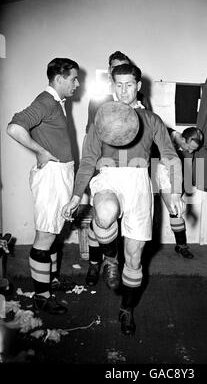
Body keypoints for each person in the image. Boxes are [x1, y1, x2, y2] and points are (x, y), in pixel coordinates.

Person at [62, 63, 184, 335]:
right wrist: (74, 196)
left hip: (140, 182)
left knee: (135, 258)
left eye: (130, 84)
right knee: (104, 213)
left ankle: (127, 309)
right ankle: (109, 258)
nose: (124, 90)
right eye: (119, 84)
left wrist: (175, 190)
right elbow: (88, 161)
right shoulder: (101, 118)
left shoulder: (151, 120)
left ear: (139, 86)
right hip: (109, 176)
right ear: (112, 86)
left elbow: (170, 155)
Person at [7, 58, 80, 314]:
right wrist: (40, 151)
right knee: (45, 236)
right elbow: (14, 127)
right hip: (51, 176)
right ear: (59, 79)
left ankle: (51, 280)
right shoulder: (46, 101)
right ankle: (41, 296)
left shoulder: (57, 104)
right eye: (73, 78)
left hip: (61, 174)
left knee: (55, 231)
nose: (77, 83)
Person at [84, 51, 151, 288]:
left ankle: (115, 263)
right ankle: (95, 263)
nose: (121, 81)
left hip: (133, 171)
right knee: (101, 217)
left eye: (125, 69)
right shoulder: (98, 101)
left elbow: (147, 134)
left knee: (126, 230)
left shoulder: (140, 101)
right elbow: (89, 137)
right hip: (104, 166)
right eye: (115, 70)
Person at [154, 126, 204, 259]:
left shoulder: (184, 150)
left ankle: (181, 245)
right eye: (190, 147)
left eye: (194, 150)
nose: (191, 151)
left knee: (174, 210)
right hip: (153, 168)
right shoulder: (162, 132)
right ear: (183, 138)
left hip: (170, 173)